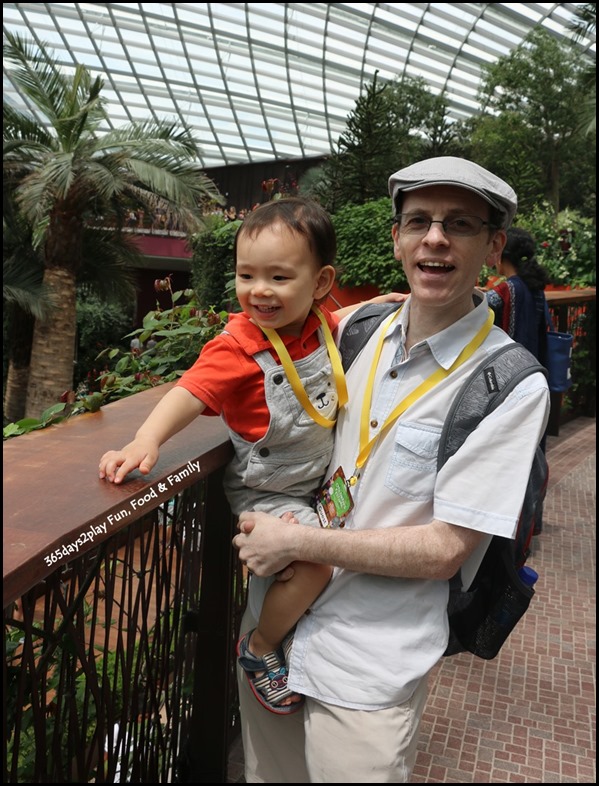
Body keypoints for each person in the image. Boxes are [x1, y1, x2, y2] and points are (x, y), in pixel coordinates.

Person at [233, 157, 550, 783]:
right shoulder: (356, 329)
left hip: (368, 659)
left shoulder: (507, 384)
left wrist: (294, 539)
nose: (435, 237)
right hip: (274, 623)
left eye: (459, 224)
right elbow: (252, 344)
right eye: (419, 221)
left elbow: (446, 550)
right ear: (397, 240)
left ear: (491, 248)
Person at [98, 197, 403, 715]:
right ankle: (259, 648)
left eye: (280, 278)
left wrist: (386, 304)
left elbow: (339, 317)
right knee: (315, 565)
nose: (259, 291)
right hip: (267, 491)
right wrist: (145, 440)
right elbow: (188, 392)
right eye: (246, 275)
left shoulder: (315, 322)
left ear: (320, 284)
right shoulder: (238, 346)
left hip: (313, 481)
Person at [485, 226, 550, 365]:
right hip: (534, 362)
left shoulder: (506, 289)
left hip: (511, 367)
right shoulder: (535, 286)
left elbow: (480, 305)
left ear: (501, 256)